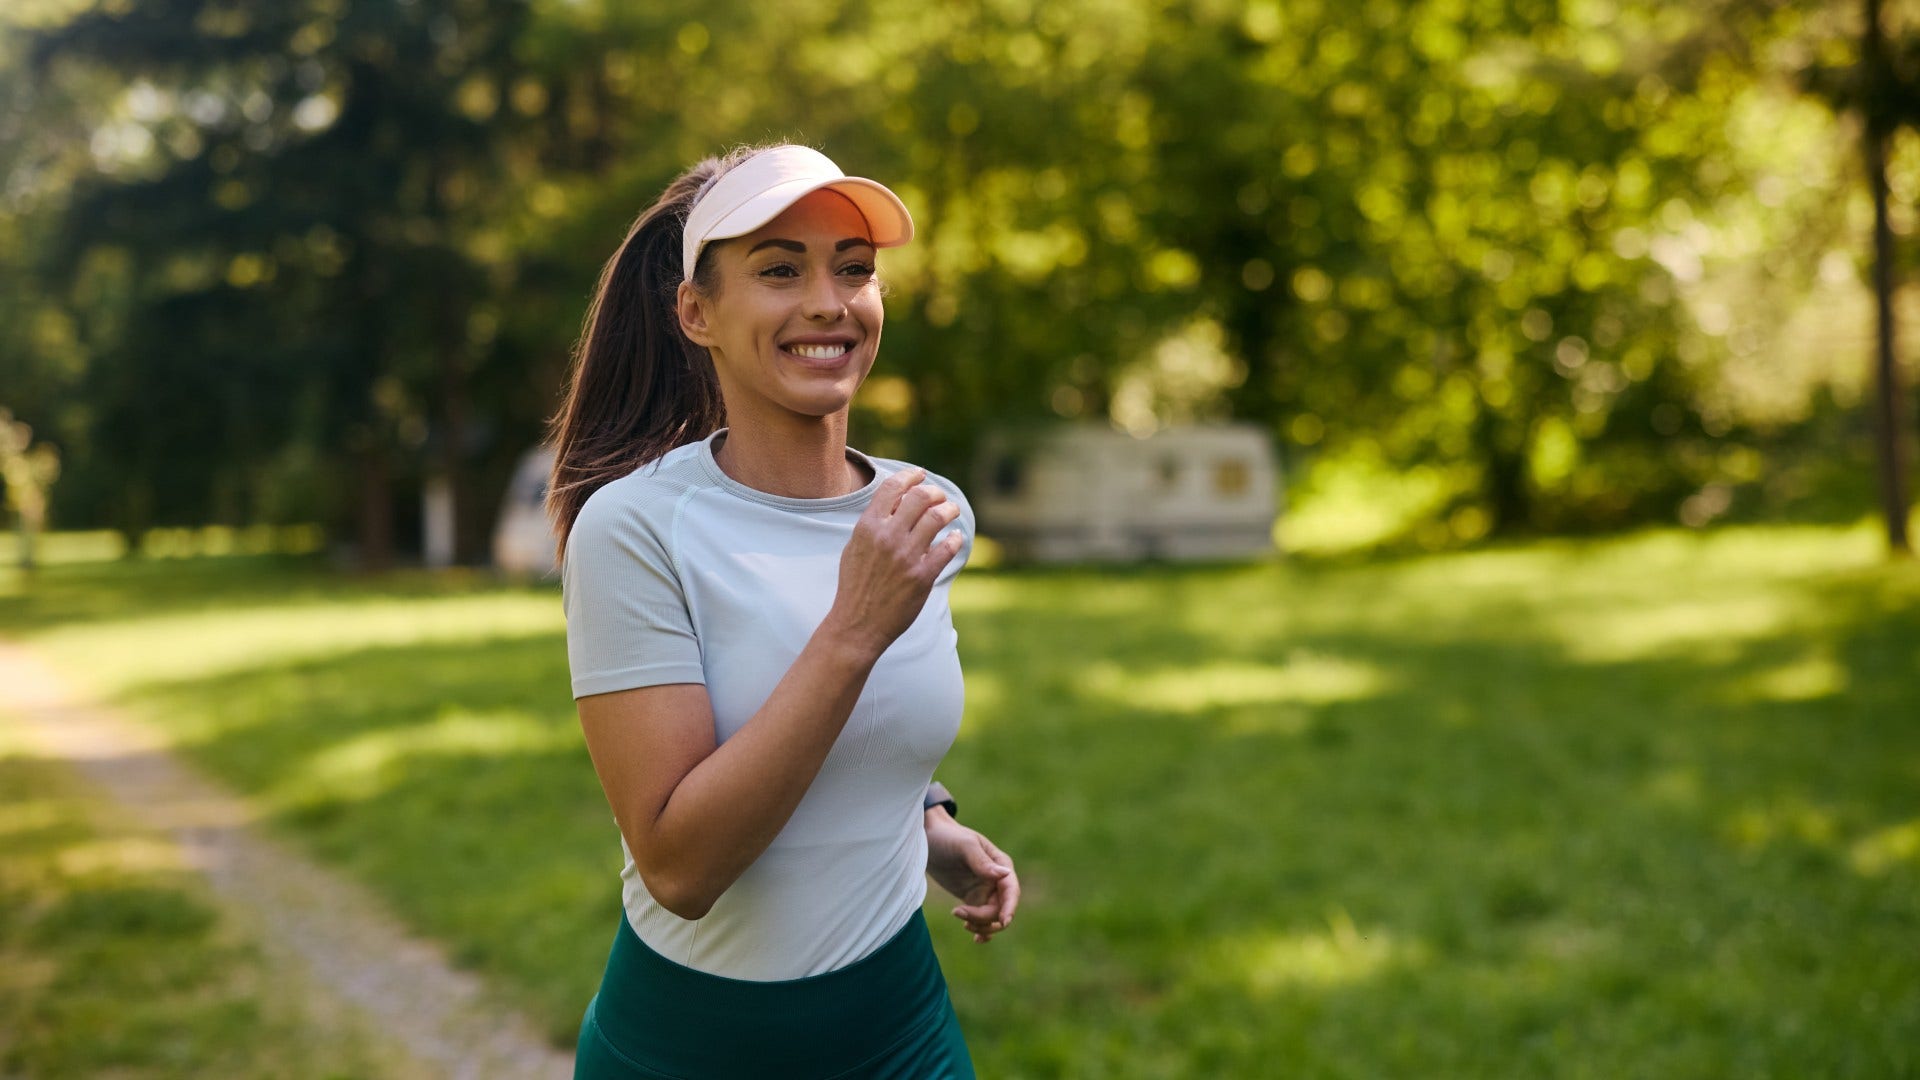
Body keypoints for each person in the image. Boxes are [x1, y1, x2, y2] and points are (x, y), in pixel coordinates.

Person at [544, 143, 1020, 1079]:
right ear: (697, 312)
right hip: (690, 1049)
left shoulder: (929, 515)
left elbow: (864, 723)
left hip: (901, 1035)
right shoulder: (637, 529)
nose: (827, 302)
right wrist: (852, 629)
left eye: (854, 270)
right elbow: (682, 869)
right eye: (778, 270)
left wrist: (922, 819)